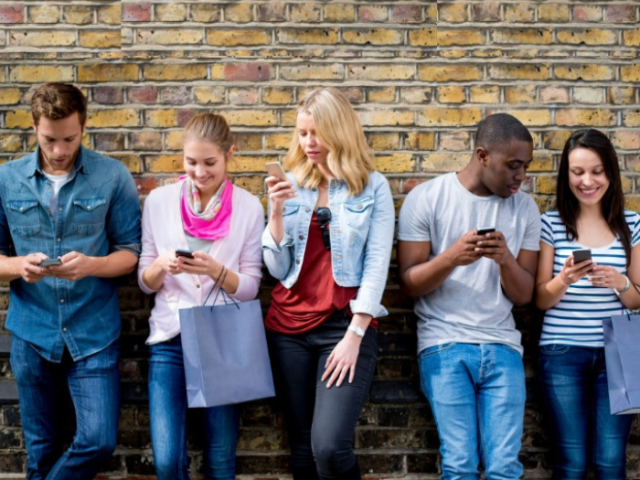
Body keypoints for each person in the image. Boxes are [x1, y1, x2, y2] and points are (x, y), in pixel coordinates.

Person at [0, 83, 141, 479]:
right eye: (49, 140)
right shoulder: (6, 179)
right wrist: (17, 267)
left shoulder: (112, 176)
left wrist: (91, 266)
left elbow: (131, 253)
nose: (60, 150)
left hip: (93, 330)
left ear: (84, 126)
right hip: (32, 330)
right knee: (40, 453)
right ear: (33, 127)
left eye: (69, 139)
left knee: (98, 441)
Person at [397, 113, 541, 479]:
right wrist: (452, 257)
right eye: (513, 165)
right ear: (482, 156)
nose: (520, 176)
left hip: (502, 347)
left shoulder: (524, 208)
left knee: (504, 468)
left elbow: (524, 295)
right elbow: (409, 283)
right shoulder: (427, 198)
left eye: (525, 166)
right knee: (459, 465)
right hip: (444, 344)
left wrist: (505, 259)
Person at [262, 87, 395, 480]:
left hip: (344, 326)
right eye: (302, 134)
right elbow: (276, 268)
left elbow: (376, 266)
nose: (308, 143)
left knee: (329, 446)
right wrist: (276, 214)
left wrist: (355, 335)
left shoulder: (373, 187)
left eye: (316, 133)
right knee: (302, 448)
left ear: (339, 130)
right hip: (286, 327)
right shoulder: (289, 183)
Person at [138, 112, 264, 480]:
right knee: (167, 462)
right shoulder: (159, 202)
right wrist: (161, 265)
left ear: (229, 155)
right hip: (169, 339)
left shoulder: (248, 207)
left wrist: (215, 271)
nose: (199, 172)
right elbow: (145, 281)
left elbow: (252, 286)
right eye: (191, 162)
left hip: (222, 340)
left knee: (221, 459)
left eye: (210, 163)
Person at [535, 129, 640, 479]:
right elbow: (540, 299)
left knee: (611, 463)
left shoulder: (633, 224)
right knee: (572, 463)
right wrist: (563, 279)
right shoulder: (551, 223)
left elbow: (638, 300)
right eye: (577, 172)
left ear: (610, 172)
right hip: (563, 350)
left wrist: (620, 282)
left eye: (596, 171)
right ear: (566, 175)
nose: (588, 181)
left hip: (620, 352)